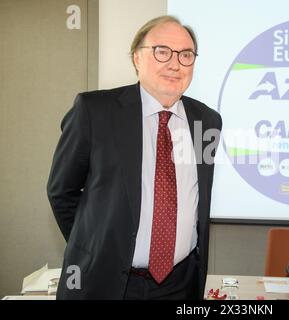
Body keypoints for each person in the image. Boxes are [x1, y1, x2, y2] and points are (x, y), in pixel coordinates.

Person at [47, 15, 222, 299]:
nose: (175, 63)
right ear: (136, 58)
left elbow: (196, 198)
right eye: (162, 51)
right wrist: (95, 248)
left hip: (180, 284)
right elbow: (61, 192)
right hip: (105, 282)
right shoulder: (95, 111)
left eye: (186, 55)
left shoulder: (207, 120)